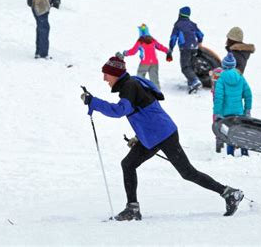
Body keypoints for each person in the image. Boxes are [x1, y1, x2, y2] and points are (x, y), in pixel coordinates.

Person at [80, 53, 244, 220]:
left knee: (187, 172)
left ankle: (229, 193)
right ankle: (132, 208)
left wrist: (94, 102)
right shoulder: (131, 85)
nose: (104, 78)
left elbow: (119, 111)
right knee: (128, 164)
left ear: (115, 73)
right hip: (153, 135)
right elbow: (146, 112)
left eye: (106, 74)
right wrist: (139, 136)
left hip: (163, 135)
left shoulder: (130, 86)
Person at [213, 53, 252, 156]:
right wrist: (247, 110)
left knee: (229, 133)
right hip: (239, 112)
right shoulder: (240, 78)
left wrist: (217, 113)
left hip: (226, 114)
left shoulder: (221, 79)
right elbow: (248, 94)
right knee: (241, 132)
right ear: (234, 65)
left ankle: (230, 155)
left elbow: (218, 98)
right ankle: (245, 153)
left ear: (224, 66)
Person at [168, 6, 204, 93]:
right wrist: (199, 42)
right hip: (194, 47)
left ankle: (195, 81)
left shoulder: (178, 25)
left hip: (185, 48)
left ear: (180, 14)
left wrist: (170, 50)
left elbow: (173, 38)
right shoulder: (192, 24)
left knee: (185, 67)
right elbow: (200, 34)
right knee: (190, 65)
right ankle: (191, 82)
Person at [123, 24, 169, 89]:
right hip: (154, 63)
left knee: (140, 77)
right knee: (154, 79)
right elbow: (160, 46)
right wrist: (167, 51)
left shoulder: (140, 41)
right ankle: (158, 92)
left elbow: (133, 51)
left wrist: (126, 53)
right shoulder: (152, 40)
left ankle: (142, 90)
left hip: (145, 63)